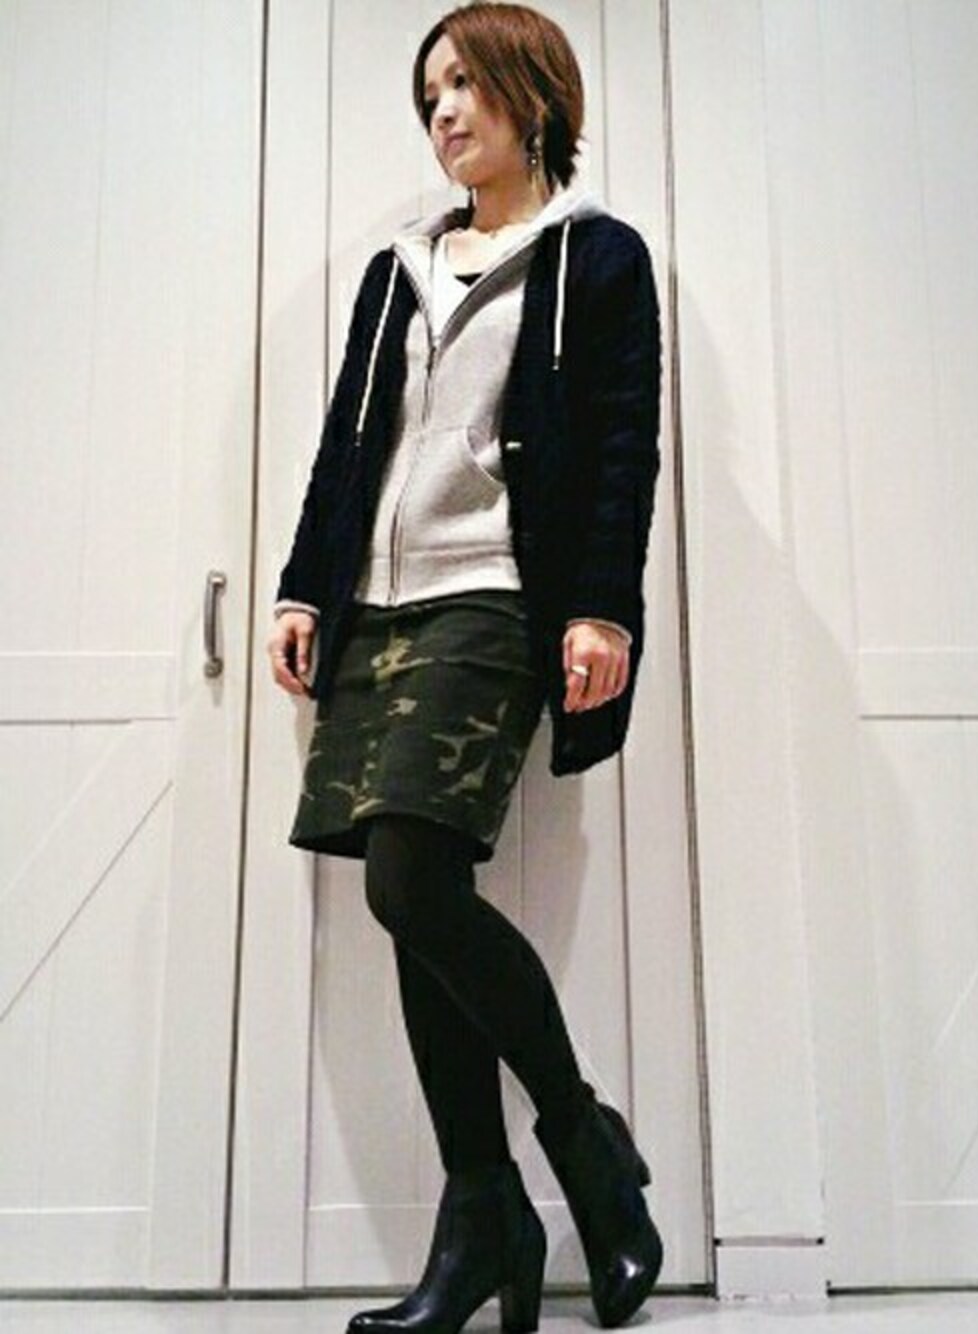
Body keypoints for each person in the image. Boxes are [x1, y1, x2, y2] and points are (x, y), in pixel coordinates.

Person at [267, 4, 663, 1331]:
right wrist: (306, 584)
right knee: (414, 894)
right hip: (377, 612)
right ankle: (486, 1211)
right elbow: (349, 440)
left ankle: (582, 1147)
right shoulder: (401, 270)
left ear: (531, 93)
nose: (442, 112)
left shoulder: (598, 257)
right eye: (428, 93)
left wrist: (601, 608)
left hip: (493, 601)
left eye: (464, 84)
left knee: (407, 876)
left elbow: (622, 443)